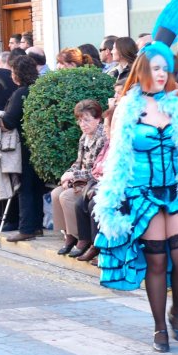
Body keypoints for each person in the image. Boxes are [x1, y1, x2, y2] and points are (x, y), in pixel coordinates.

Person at [93, 41, 178, 352]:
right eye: (155, 68)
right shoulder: (128, 108)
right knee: (156, 261)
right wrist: (113, 200)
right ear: (142, 72)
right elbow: (118, 157)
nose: (162, 74)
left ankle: (176, 311)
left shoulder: (177, 104)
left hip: (177, 191)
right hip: (143, 192)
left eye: (165, 68)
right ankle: (159, 328)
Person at [52, 100, 105, 257]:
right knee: (55, 194)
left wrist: (73, 176)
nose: (82, 124)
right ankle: (69, 235)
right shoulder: (84, 137)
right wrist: (68, 174)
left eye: (87, 120)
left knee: (66, 196)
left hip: (93, 182)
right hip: (81, 180)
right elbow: (78, 162)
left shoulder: (102, 137)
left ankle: (81, 238)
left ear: (98, 119)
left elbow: (96, 171)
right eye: (80, 120)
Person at [1, 55, 45, 242]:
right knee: (36, 185)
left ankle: (26, 228)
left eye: (13, 71)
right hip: (40, 144)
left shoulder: (21, 93)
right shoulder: (41, 89)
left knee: (25, 186)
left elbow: (9, 121)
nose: (11, 75)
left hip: (23, 145)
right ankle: (36, 226)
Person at [74, 107, 115, 264]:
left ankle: (97, 246)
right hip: (96, 181)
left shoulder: (113, 142)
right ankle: (83, 240)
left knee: (94, 204)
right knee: (79, 202)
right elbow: (93, 165)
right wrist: (70, 175)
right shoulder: (107, 142)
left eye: (107, 126)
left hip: (110, 184)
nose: (104, 130)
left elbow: (102, 170)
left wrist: (77, 176)